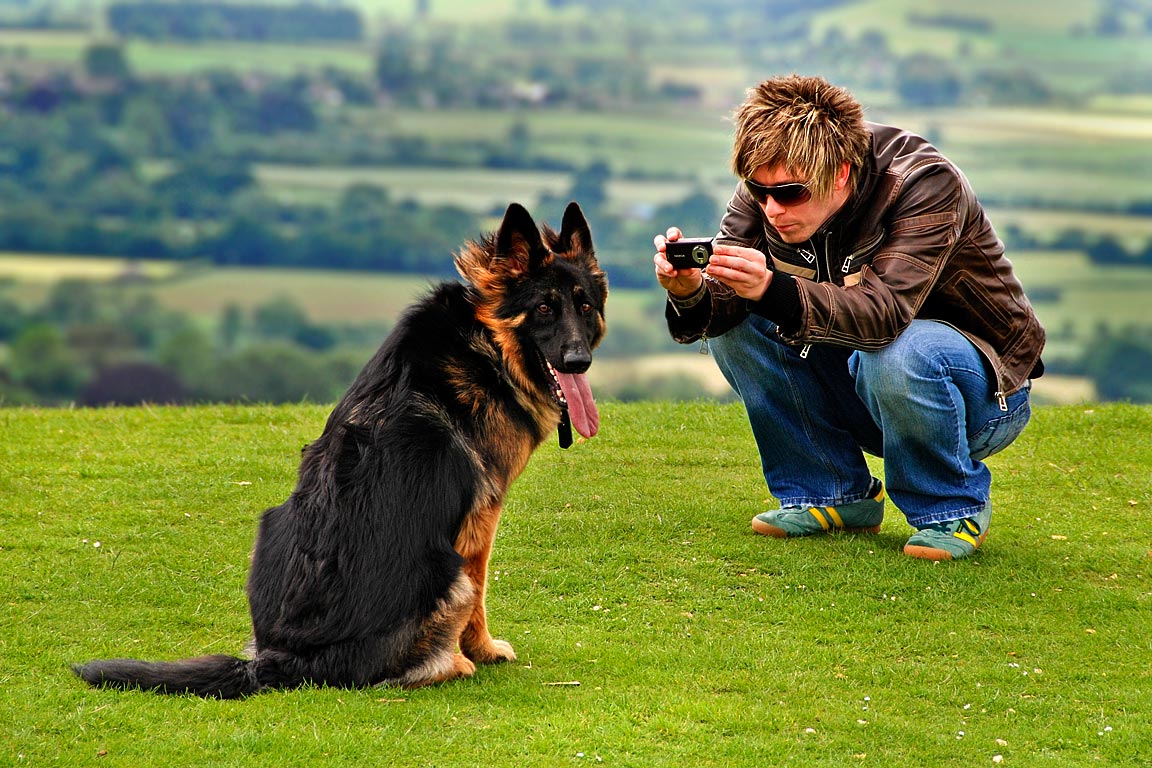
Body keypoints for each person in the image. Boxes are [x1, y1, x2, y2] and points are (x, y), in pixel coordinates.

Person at [653, 74, 1045, 561]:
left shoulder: (924, 184)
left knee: (901, 349)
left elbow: (884, 317)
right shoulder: (768, 189)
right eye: (759, 191)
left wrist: (772, 288)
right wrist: (689, 291)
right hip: (865, 387)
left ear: (839, 173)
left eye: (791, 193)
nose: (773, 208)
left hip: (983, 399)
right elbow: (722, 307)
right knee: (735, 327)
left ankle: (948, 507)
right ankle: (831, 494)